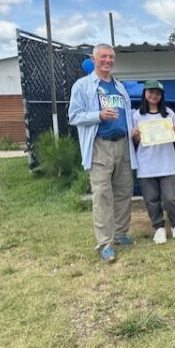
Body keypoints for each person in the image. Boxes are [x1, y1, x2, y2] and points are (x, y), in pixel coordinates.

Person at [68, 43, 137, 263]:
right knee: (102, 195)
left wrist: (133, 128)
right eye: (103, 57)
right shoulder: (83, 85)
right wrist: (98, 115)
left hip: (123, 144)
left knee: (124, 191)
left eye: (111, 57)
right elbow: (74, 116)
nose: (107, 60)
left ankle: (120, 233)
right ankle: (105, 244)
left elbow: (127, 114)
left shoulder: (119, 86)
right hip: (100, 145)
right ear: (94, 58)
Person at [131, 80, 175, 244]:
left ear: (161, 95)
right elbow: (135, 143)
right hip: (146, 163)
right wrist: (135, 136)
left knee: (170, 199)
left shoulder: (168, 113)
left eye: (157, 93)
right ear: (145, 94)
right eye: (150, 92)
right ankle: (159, 228)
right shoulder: (137, 115)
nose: (154, 95)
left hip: (166, 163)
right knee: (151, 199)